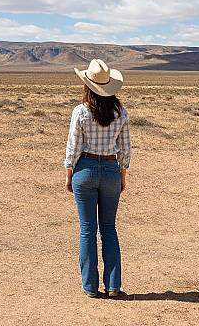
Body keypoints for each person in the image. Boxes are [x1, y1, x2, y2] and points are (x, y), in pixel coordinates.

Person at [64, 58, 131, 299]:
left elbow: (73, 147)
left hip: (85, 170)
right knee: (109, 229)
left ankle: (90, 287)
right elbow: (125, 150)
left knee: (87, 230)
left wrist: (69, 173)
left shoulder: (80, 111)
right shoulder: (120, 112)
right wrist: (121, 176)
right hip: (112, 171)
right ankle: (113, 286)